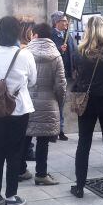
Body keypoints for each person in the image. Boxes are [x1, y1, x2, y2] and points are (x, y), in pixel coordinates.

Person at [0, 16, 37, 205]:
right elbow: (32, 81)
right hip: (18, 108)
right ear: (17, 32)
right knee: (14, 153)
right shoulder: (24, 54)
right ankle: (11, 196)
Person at [70, 15, 103, 198]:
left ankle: (79, 187)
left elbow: (75, 75)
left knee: (84, 143)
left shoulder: (79, 51)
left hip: (88, 101)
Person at [22, 23, 67, 185]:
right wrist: (59, 101)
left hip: (27, 101)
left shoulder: (25, 52)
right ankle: (41, 174)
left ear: (34, 34)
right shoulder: (56, 55)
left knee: (25, 136)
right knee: (43, 140)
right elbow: (61, 84)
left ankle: (21, 170)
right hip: (48, 102)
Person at [50, 11, 76, 141]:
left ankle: (60, 129)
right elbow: (50, 55)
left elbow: (74, 52)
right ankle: (53, 130)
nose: (66, 23)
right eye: (63, 21)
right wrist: (60, 50)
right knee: (54, 103)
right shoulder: (50, 35)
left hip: (66, 74)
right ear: (56, 22)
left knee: (62, 103)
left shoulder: (68, 35)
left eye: (66, 21)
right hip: (54, 75)